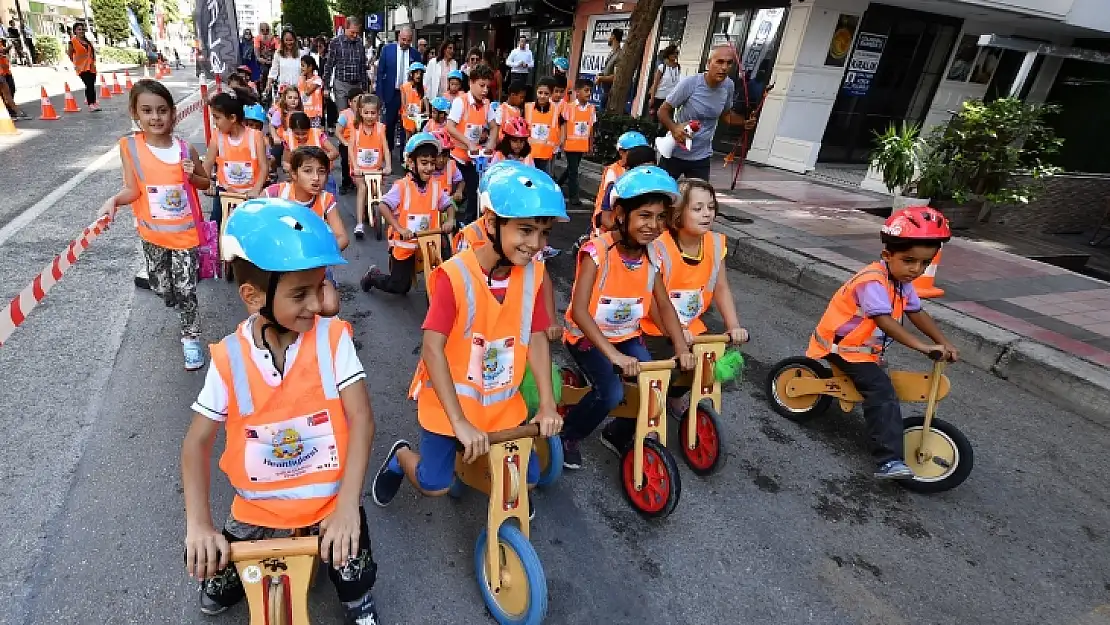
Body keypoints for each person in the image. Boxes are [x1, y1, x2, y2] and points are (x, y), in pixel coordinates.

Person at [181, 199, 380, 623]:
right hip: (258, 510)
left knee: (355, 581)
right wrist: (199, 524)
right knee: (214, 584)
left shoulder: (333, 340)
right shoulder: (229, 358)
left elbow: (361, 419)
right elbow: (196, 442)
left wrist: (348, 506)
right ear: (253, 297)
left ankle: (354, 588)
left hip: (329, 502)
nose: (319, 303)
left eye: (320, 285)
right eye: (300, 294)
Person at [369, 161, 566, 509]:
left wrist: (548, 405)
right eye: (524, 230)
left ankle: (472, 461)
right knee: (433, 484)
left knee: (531, 480)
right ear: (491, 223)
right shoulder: (454, 276)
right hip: (449, 406)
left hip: (500, 402)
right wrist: (458, 422)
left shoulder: (533, 274)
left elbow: (536, 336)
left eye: (543, 232)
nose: (535, 244)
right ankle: (401, 456)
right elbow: (432, 348)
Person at [806, 206, 959, 480]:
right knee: (882, 392)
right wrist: (924, 347)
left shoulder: (900, 281)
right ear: (887, 255)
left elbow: (916, 312)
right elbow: (884, 321)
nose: (917, 269)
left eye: (924, 263)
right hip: (843, 348)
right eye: (910, 260)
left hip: (864, 350)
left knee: (879, 384)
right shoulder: (872, 282)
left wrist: (943, 341)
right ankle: (888, 460)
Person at [560, 166, 694, 469]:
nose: (654, 225)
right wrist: (612, 356)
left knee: (653, 384)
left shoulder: (653, 255)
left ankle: (617, 431)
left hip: (627, 336)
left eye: (660, 217)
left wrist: (682, 347)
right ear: (621, 213)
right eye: (645, 215)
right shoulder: (596, 252)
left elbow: (663, 305)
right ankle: (569, 434)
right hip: (587, 338)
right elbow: (580, 311)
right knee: (611, 392)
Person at [97, 80, 212, 370]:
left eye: (162, 110)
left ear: (173, 113)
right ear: (135, 113)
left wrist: (192, 175)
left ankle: (190, 337)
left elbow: (205, 183)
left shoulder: (185, 149)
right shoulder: (130, 147)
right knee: (162, 287)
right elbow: (132, 189)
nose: (155, 117)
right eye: (147, 111)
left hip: (186, 237)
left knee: (186, 290)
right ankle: (176, 304)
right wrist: (114, 201)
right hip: (153, 237)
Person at [640, 179, 748, 415]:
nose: (707, 214)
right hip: (654, 327)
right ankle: (654, 402)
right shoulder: (658, 246)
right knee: (676, 365)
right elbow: (650, 299)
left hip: (691, 326)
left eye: (711, 207)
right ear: (678, 213)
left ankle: (674, 394)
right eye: (697, 209)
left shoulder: (715, 243)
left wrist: (733, 326)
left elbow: (721, 288)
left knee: (713, 365)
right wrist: (675, 332)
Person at [359, 132, 454, 295]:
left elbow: (448, 205)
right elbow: (383, 206)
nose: (429, 168)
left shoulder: (436, 186)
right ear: (411, 162)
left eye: (432, 163)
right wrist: (399, 229)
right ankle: (373, 276)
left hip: (429, 241)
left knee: (447, 260)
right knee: (400, 286)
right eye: (424, 163)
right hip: (405, 243)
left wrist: (450, 220)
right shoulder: (402, 186)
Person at [263, 146, 347, 317]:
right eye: (308, 171)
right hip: (280, 266)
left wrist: (317, 252)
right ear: (294, 174)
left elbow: (342, 237)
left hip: (314, 268)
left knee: (330, 306)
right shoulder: (274, 194)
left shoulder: (326, 199)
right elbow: (258, 226)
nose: (316, 178)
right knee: (266, 308)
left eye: (321, 172)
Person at [657, 45, 754, 182]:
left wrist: (744, 122)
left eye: (729, 63)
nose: (724, 67)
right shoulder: (690, 83)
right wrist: (674, 128)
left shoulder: (729, 86)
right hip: (675, 152)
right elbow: (662, 111)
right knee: (661, 195)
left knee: (700, 199)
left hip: (701, 156)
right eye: (719, 62)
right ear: (709, 63)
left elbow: (726, 115)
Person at [203, 92, 268, 226]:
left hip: (249, 193)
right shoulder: (217, 136)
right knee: (216, 223)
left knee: (252, 225)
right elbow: (208, 162)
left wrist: (256, 189)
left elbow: (263, 166)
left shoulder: (255, 136)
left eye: (217, 118)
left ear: (232, 118)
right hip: (224, 191)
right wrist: (207, 182)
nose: (215, 123)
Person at [446, 63, 499, 224]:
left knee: (475, 192)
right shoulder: (460, 102)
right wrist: (469, 143)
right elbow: (450, 127)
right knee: (453, 193)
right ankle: (447, 218)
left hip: (475, 159)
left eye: (487, 87)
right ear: (471, 83)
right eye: (481, 85)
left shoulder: (487, 104)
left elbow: (494, 126)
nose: (484, 90)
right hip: (456, 157)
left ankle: (468, 226)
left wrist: (490, 145)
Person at [375, 27, 423, 154]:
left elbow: (419, 75)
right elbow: (380, 73)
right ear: (398, 37)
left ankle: (404, 153)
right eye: (403, 39)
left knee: (406, 124)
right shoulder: (387, 50)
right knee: (389, 123)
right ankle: (388, 150)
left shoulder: (415, 54)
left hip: (409, 95)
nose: (405, 43)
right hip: (392, 93)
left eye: (408, 40)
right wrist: (379, 95)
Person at [350, 94, 391, 239]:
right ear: (360, 112)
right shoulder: (356, 128)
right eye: (366, 113)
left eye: (373, 113)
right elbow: (351, 148)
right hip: (360, 168)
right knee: (362, 188)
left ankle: (379, 213)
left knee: (378, 189)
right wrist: (355, 166)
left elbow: (385, 148)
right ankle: (359, 223)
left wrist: (388, 166)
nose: (369, 116)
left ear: (377, 113)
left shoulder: (380, 129)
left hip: (375, 168)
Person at [591, 132, 649, 234]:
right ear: (621, 152)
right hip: (610, 228)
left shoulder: (641, 172)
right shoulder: (614, 172)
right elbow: (605, 217)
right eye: (635, 152)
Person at [559, 77, 596, 207]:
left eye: (590, 91)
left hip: (582, 145)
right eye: (586, 90)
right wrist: (562, 141)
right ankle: (574, 196)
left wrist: (590, 145)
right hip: (570, 145)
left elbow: (591, 127)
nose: (588, 93)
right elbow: (562, 125)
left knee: (571, 168)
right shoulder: (569, 107)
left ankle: (558, 184)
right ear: (577, 92)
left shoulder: (591, 109)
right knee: (574, 171)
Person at [282, 112, 340, 193]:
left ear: (309, 129)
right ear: (292, 130)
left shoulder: (317, 134)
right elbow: (286, 162)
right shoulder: (288, 139)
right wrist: (291, 170)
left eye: (304, 133)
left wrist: (318, 161)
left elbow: (334, 152)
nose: (301, 137)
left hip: (322, 178)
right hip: (301, 180)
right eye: (297, 134)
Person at [323, 17, 369, 116]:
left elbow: (362, 66)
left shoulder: (360, 43)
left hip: (356, 85)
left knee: (357, 115)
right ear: (345, 28)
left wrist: (365, 87)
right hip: (341, 84)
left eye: (357, 33)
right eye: (352, 32)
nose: (355, 35)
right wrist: (326, 87)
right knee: (344, 115)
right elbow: (329, 65)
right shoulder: (335, 42)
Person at [525, 76, 562, 174]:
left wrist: (558, 144)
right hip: (529, 154)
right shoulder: (528, 107)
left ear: (550, 94)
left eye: (546, 94)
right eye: (540, 93)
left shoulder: (555, 110)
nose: (542, 96)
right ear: (536, 91)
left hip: (546, 155)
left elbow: (562, 126)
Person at [335, 86, 364, 194]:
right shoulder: (345, 115)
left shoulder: (365, 114)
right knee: (345, 162)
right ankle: (345, 182)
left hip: (361, 143)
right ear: (350, 102)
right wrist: (345, 143)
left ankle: (358, 182)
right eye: (355, 101)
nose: (358, 104)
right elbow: (338, 132)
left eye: (360, 100)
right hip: (346, 143)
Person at [265, 29, 305, 101]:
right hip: (283, 90)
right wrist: (268, 86)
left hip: (298, 91)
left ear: (295, 40)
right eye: (286, 40)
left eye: (291, 40)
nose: (289, 42)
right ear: (283, 41)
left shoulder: (301, 54)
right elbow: (273, 71)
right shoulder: (278, 54)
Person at [67, 22, 99, 112]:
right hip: (81, 67)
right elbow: (70, 54)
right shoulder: (72, 42)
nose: (81, 31)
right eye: (79, 29)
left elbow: (91, 52)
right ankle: (90, 104)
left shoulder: (86, 41)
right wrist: (75, 63)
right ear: (75, 31)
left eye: (82, 29)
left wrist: (94, 62)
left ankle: (94, 102)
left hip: (91, 66)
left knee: (92, 85)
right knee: (88, 84)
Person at [429, 129, 463, 210]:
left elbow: (460, 180)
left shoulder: (451, 165)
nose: (441, 160)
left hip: (446, 205)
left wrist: (459, 191)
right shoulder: (424, 169)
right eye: (438, 156)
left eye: (444, 156)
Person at [400, 62, 428, 148]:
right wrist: (406, 112)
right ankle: (406, 155)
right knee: (408, 137)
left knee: (418, 136)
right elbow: (403, 103)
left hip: (418, 115)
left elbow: (425, 99)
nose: (418, 75)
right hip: (408, 115)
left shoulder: (423, 88)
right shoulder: (405, 87)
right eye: (416, 73)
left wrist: (427, 111)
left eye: (420, 73)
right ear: (411, 74)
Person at [648, 45, 681, 115]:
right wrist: (652, 98)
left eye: (676, 53)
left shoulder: (678, 67)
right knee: (657, 119)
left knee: (667, 120)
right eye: (673, 53)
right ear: (668, 54)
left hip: (670, 99)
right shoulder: (662, 67)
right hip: (659, 97)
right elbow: (655, 83)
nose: (675, 55)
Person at [596, 28, 624, 108]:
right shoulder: (612, 53)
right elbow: (607, 72)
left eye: (610, 36)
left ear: (613, 36)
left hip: (610, 93)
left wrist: (601, 78)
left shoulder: (619, 55)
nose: (609, 38)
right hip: (605, 91)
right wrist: (600, 75)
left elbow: (616, 77)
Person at [299, 54, 325, 128]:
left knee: (315, 134)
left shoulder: (317, 80)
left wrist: (303, 78)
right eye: (301, 65)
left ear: (310, 67)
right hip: (303, 112)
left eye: (303, 65)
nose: (301, 68)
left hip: (314, 113)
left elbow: (307, 92)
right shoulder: (301, 79)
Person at [254, 23, 278, 88]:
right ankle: (264, 89)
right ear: (260, 30)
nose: (265, 32)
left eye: (267, 30)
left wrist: (274, 60)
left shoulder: (273, 38)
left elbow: (277, 50)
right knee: (265, 72)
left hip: (272, 60)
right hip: (263, 61)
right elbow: (257, 54)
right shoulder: (257, 38)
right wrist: (264, 60)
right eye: (262, 30)